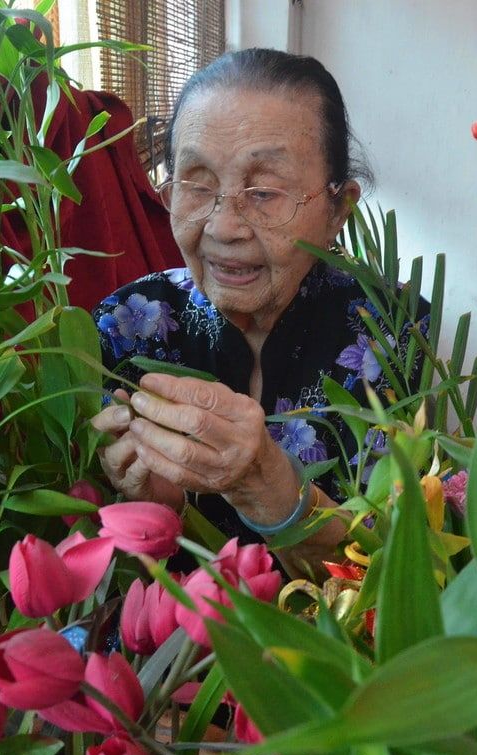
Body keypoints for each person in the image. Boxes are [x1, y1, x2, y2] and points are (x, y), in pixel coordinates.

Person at [90, 48, 428, 575]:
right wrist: (158, 509)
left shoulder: (389, 331)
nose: (224, 228)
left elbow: (403, 571)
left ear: (339, 207)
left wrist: (275, 493)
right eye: (197, 184)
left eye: (265, 191)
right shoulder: (128, 327)